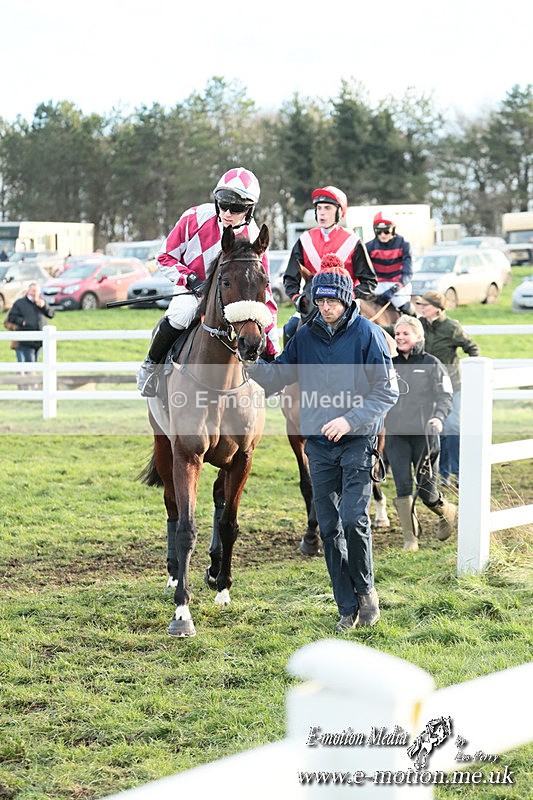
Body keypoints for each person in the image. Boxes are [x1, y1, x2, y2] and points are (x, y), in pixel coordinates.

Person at [249, 266, 398, 632]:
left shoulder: (369, 335)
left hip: (358, 440)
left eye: (331, 300)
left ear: (346, 300)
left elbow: (387, 390)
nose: (325, 306)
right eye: (320, 299)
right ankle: (346, 605)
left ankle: (366, 592)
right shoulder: (304, 336)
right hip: (318, 444)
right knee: (328, 526)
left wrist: (349, 420)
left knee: (352, 519)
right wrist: (249, 362)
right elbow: (280, 374)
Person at [137, 167, 280, 397]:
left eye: (236, 208)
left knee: (253, 331)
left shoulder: (254, 236)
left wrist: (274, 350)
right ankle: (150, 367)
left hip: (233, 297)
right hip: (191, 290)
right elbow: (164, 257)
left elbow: (265, 286)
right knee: (180, 315)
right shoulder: (193, 217)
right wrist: (191, 280)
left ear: (249, 209)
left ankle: (265, 378)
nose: (227, 212)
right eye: (223, 204)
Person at [384, 315, 456, 551]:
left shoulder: (432, 363)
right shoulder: (389, 364)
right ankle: (410, 539)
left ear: (418, 337)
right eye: (397, 334)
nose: (400, 337)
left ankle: (447, 511)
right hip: (396, 434)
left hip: (425, 435)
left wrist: (438, 417)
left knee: (426, 490)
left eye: (406, 333)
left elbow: (445, 396)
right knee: (402, 486)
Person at [282, 185, 377, 340]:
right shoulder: (305, 240)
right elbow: (290, 278)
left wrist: (351, 295)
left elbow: (370, 281)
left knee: (367, 336)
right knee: (290, 329)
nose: (322, 212)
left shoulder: (353, 241)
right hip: (312, 303)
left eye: (327, 208)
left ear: (339, 212)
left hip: (345, 303)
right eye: (319, 208)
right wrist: (297, 298)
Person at [414, 291, 480, 488]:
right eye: (421, 305)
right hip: (428, 388)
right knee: (436, 430)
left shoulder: (452, 327)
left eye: (425, 305)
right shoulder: (420, 325)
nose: (422, 308)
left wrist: (475, 368)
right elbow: (395, 329)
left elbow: (472, 347)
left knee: (451, 427)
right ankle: (442, 475)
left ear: (437, 307)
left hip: (452, 386)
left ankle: (458, 471)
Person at [365, 212, 414, 313]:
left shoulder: (404, 244)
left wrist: (393, 289)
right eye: (379, 231)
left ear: (393, 230)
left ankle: (416, 321)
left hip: (398, 284)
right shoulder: (368, 247)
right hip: (378, 284)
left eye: (386, 231)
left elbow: (408, 274)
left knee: (405, 309)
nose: (383, 235)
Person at [6, 281, 55, 364]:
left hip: (40, 338)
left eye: (37, 291)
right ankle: (30, 375)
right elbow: (11, 317)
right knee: (30, 362)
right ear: (28, 291)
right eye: (33, 291)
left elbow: (51, 314)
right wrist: (22, 322)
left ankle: (32, 375)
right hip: (26, 338)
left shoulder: (42, 302)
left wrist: (44, 306)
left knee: (35, 360)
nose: (35, 293)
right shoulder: (20, 303)